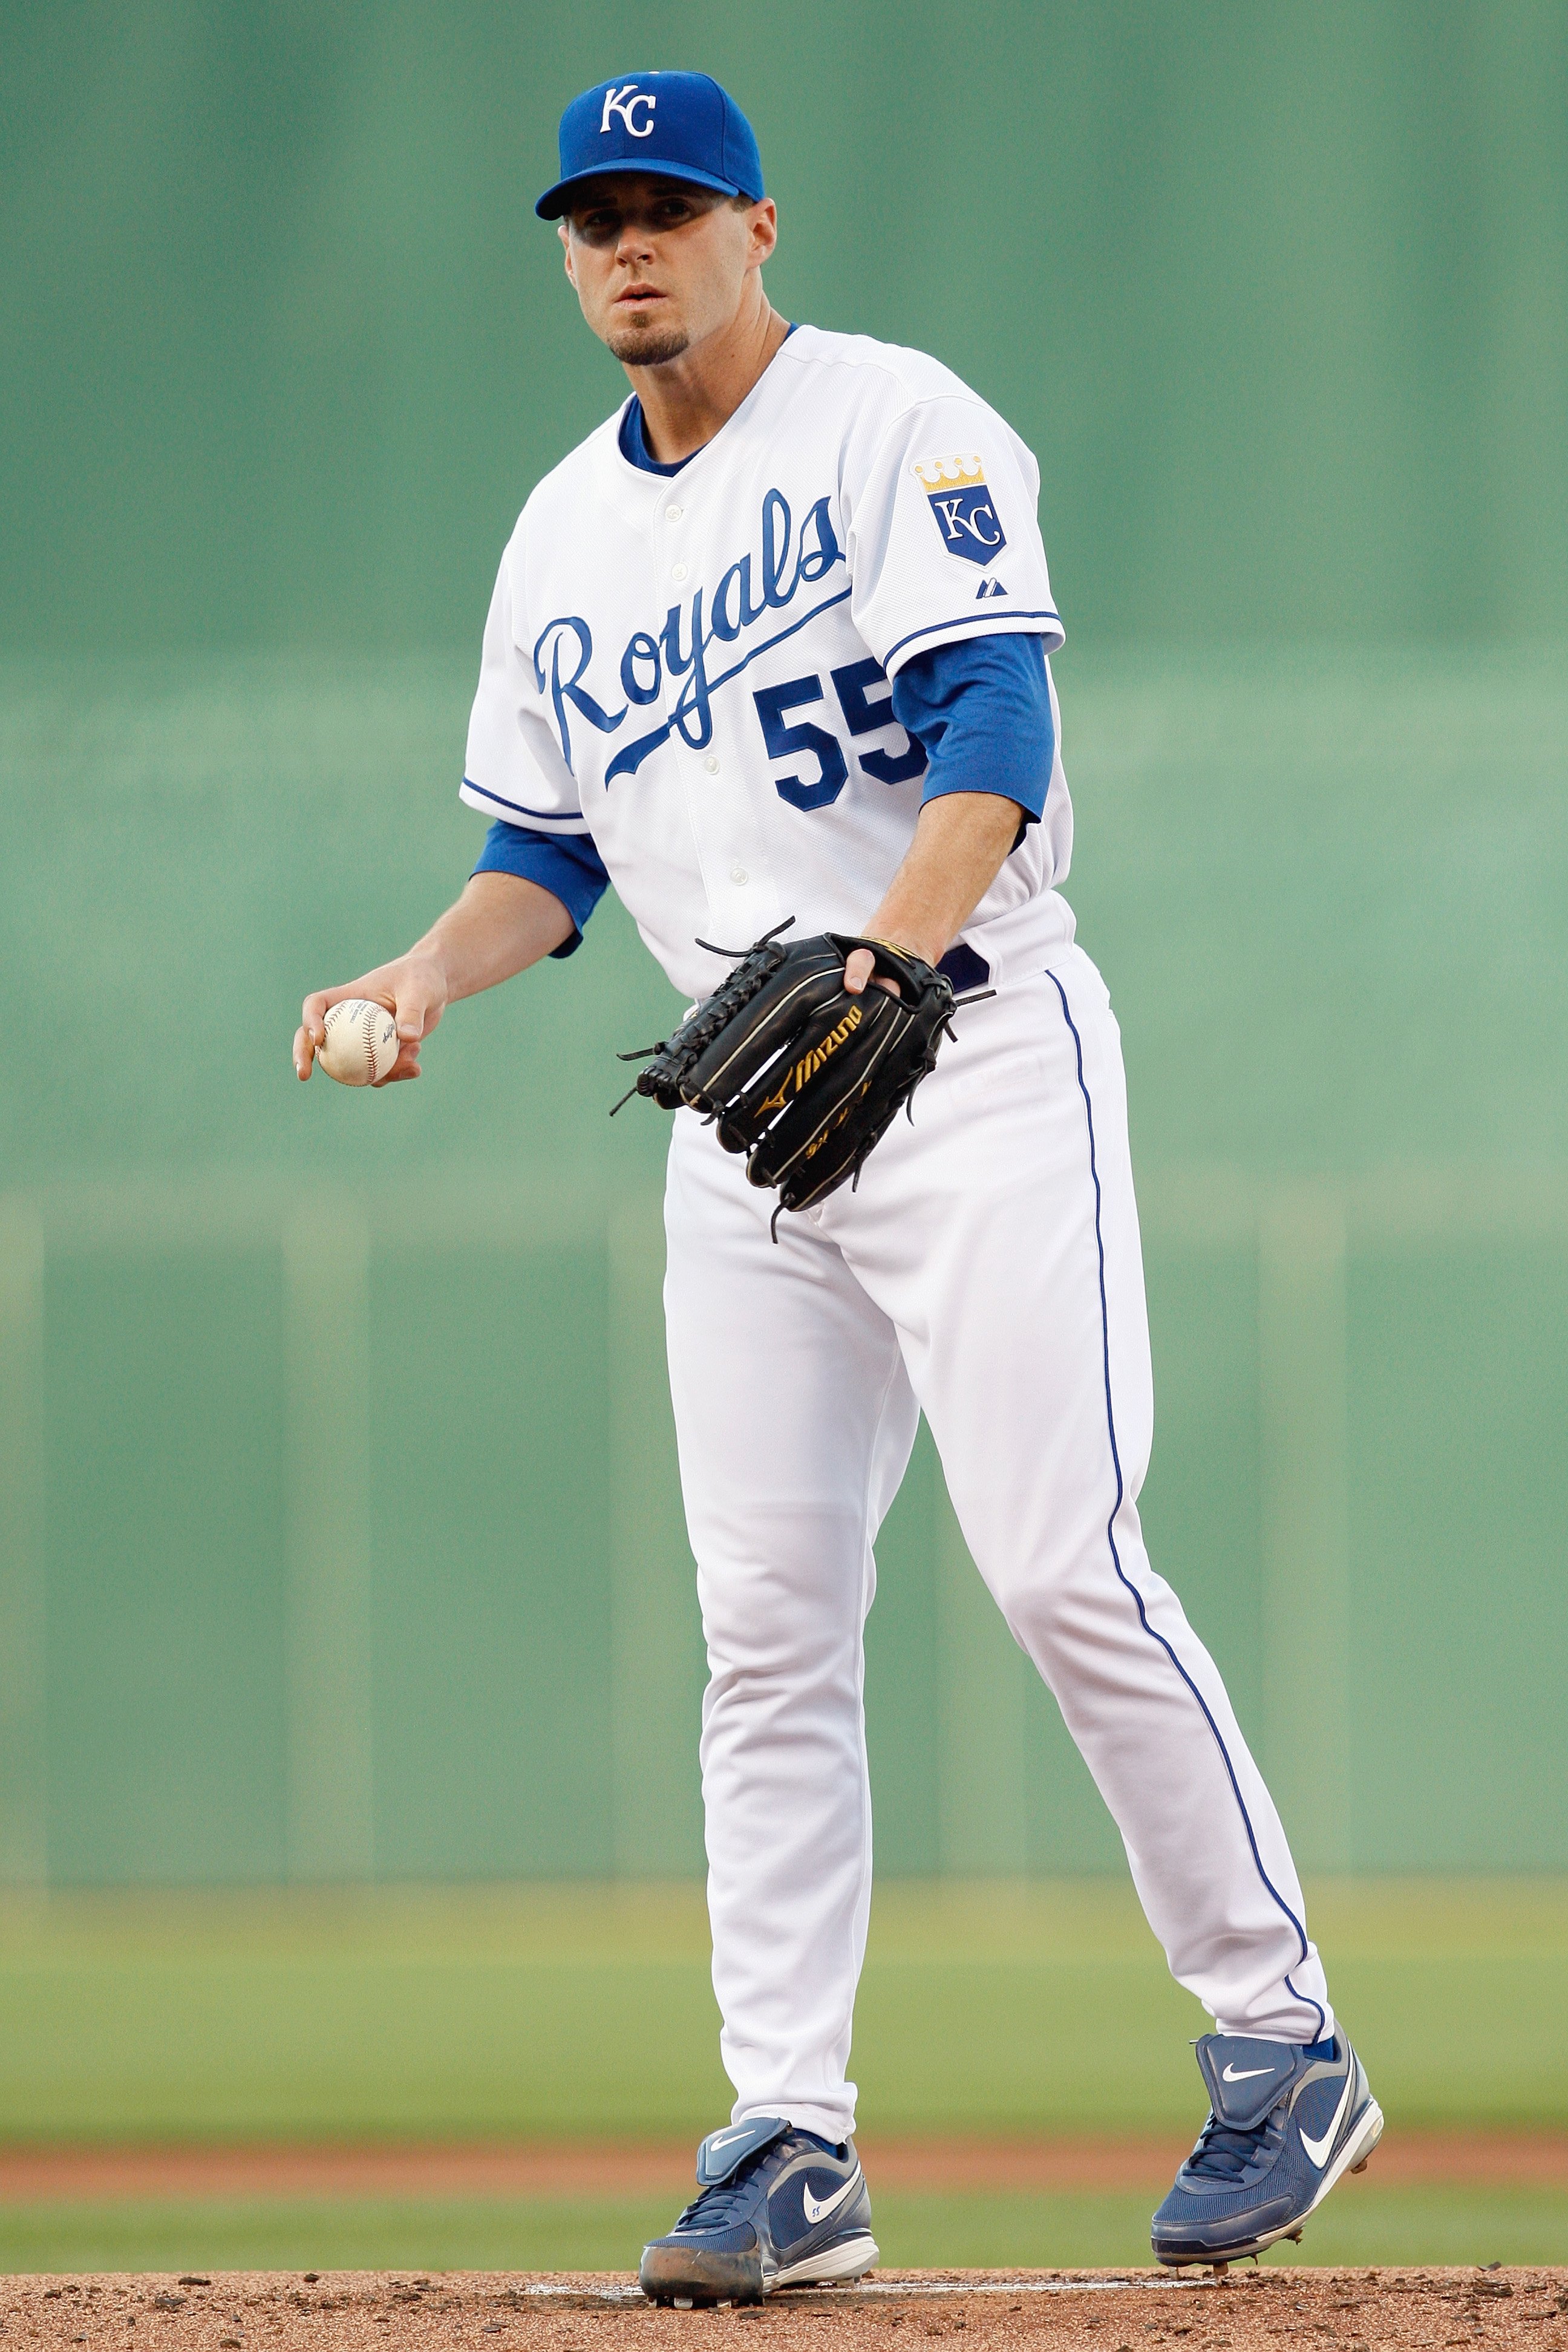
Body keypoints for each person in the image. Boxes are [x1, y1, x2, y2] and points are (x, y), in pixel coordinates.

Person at [294, 71, 1382, 2302]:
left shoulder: (903, 427)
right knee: (766, 1631)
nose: (630, 244)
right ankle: (791, 2135)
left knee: (1063, 1560)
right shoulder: (557, 541)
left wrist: (889, 952)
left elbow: (999, 728)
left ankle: (1284, 2040)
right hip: (753, 1118)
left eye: (670, 206)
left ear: (759, 227)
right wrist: (425, 970)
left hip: (967, 1054)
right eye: (594, 213)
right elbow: (545, 859)